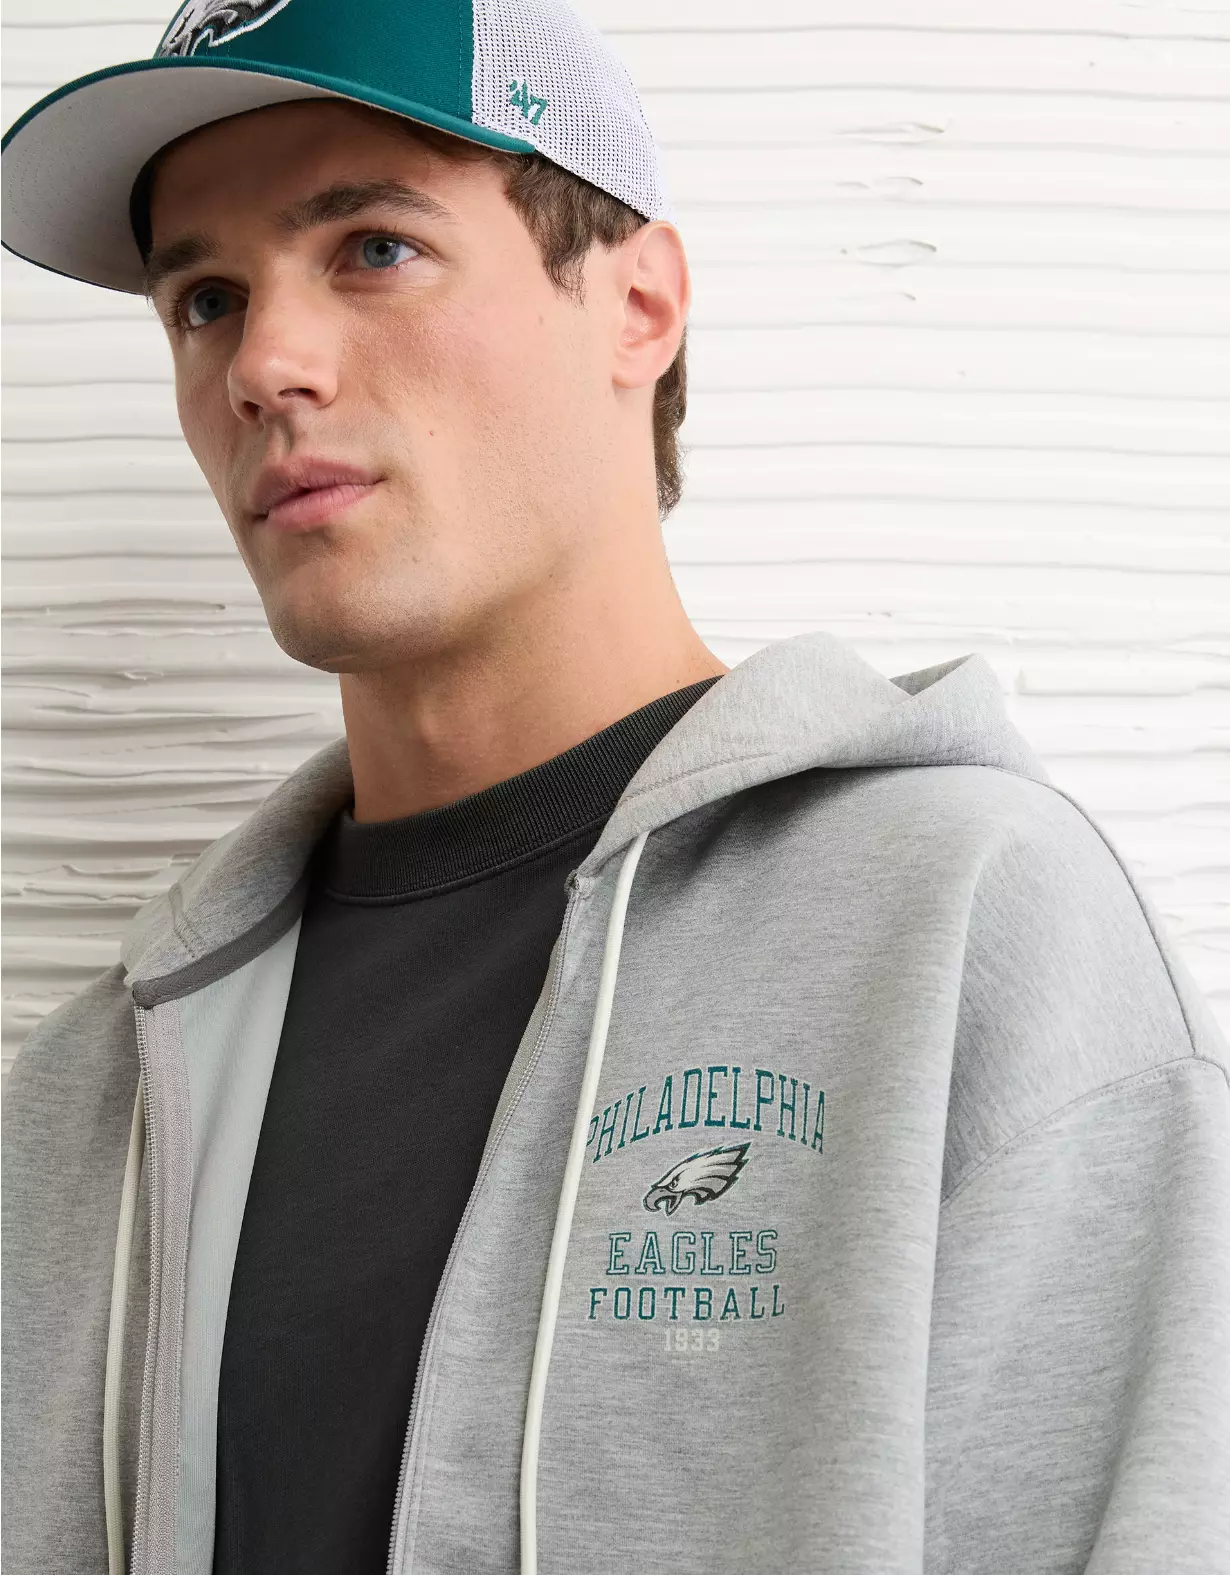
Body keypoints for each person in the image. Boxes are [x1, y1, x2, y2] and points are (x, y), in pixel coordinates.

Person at [3, 1, 1228, 1572]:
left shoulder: (963, 931)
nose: (263, 364)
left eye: (373, 248)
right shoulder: (94, 1091)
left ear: (636, 304)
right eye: (206, 299)